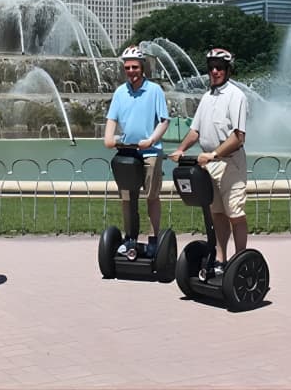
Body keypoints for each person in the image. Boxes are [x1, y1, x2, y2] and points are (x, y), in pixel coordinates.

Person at [170, 48, 248, 273]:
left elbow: (238, 136)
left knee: (235, 213)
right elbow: (195, 130)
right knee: (217, 214)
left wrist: (214, 154)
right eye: (212, 67)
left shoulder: (236, 96)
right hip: (208, 164)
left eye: (220, 68)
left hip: (230, 162)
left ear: (228, 70)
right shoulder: (206, 97)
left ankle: (241, 260)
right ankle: (221, 260)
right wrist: (181, 149)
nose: (215, 71)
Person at [104, 45, 170, 258]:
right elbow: (112, 119)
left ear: (142, 67)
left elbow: (164, 121)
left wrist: (151, 139)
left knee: (151, 196)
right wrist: (109, 137)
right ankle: (130, 237)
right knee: (126, 198)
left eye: (135, 67)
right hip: (127, 152)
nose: (131, 71)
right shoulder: (120, 92)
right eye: (127, 68)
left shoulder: (154, 91)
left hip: (149, 151)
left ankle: (153, 238)